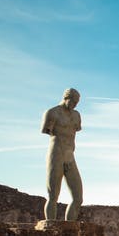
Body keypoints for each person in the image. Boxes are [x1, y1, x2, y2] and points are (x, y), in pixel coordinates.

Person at [41, 88, 83, 221]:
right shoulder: (52, 113)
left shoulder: (76, 115)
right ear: (66, 97)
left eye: (77, 102)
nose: (75, 104)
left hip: (70, 156)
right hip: (56, 155)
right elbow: (47, 130)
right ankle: (50, 228)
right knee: (53, 195)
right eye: (73, 101)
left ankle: (70, 228)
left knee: (78, 198)